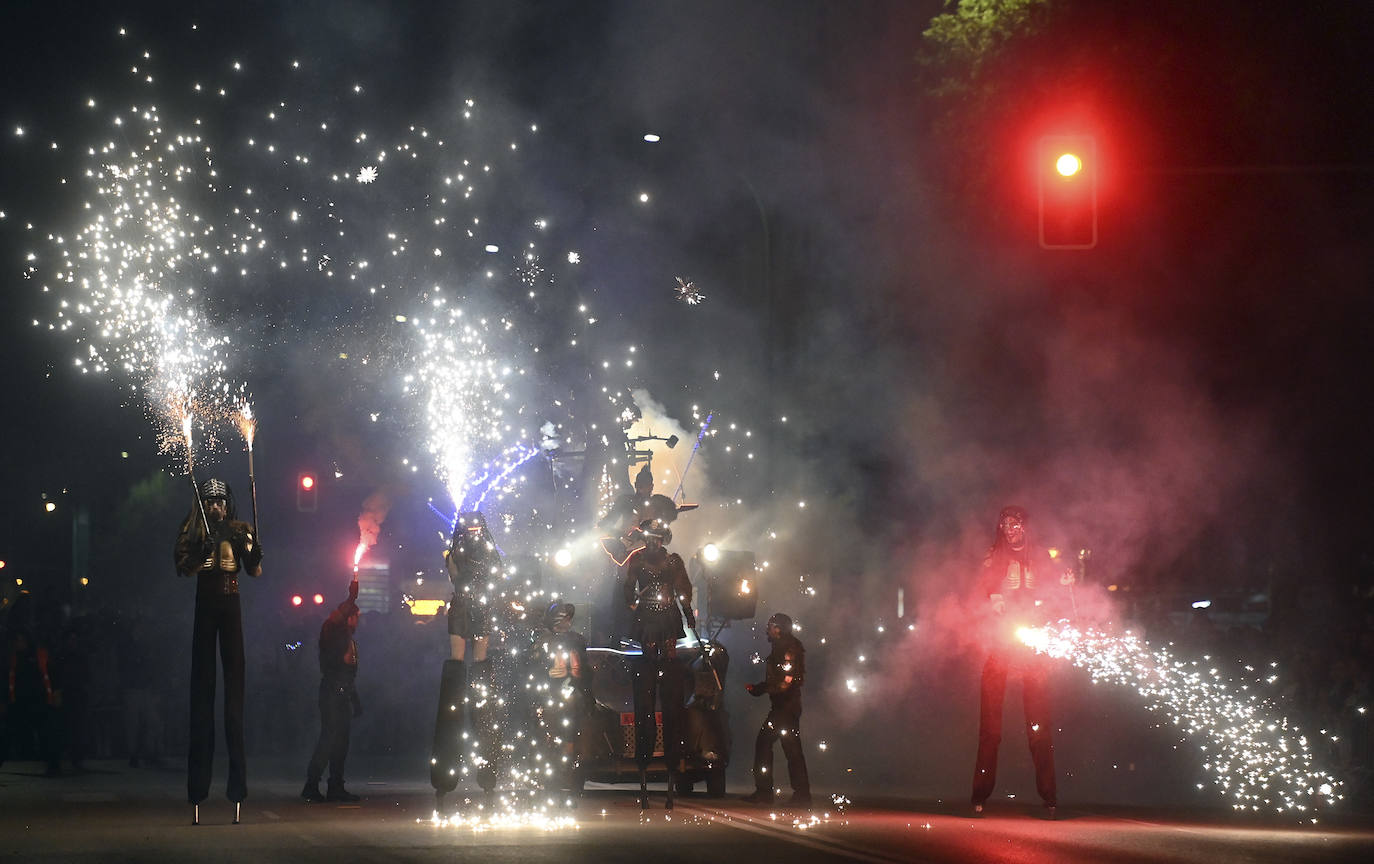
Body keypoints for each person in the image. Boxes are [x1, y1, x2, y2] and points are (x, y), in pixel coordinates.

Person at [970, 505, 1074, 819]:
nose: (1010, 530)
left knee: (1039, 727)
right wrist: (994, 597)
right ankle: (980, 796)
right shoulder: (994, 555)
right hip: (1001, 644)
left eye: (1015, 525)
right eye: (1005, 525)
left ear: (1026, 527)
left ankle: (1050, 798)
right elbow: (983, 584)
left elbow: (1058, 589)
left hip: (1032, 646)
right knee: (991, 729)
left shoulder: (1042, 556)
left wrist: (1067, 581)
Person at [174, 478, 263, 823]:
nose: (215, 507)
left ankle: (237, 788)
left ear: (228, 505)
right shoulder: (192, 527)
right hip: (206, 601)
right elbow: (183, 568)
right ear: (203, 504)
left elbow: (255, 571)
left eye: (219, 502)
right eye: (209, 501)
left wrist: (254, 553)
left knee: (234, 699)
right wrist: (200, 549)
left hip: (231, 602)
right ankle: (198, 789)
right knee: (202, 691)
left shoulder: (241, 529)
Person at [621, 518, 693, 810]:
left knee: (673, 704)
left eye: (658, 538)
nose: (654, 542)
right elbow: (627, 589)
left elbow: (683, 589)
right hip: (646, 625)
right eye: (649, 538)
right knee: (645, 706)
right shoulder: (636, 560)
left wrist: (687, 612)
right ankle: (643, 764)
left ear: (664, 538)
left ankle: (673, 766)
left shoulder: (673, 561)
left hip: (668, 624)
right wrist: (634, 602)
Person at [431, 511, 501, 807]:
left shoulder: (466, 546)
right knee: (469, 670)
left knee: (465, 669)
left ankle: (477, 776)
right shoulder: (481, 545)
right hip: (472, 606)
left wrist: (450, 555)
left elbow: (459, 576)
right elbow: (489, 575)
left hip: (470, 605)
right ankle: (480, 776)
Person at [302, 579, 363, 803]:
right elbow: (336, 618)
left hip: (343, 695)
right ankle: (311, 784)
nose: (359, 621)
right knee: (329, 739)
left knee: (341, 742)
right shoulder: (332, 632)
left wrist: (354, 700)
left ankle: (336, 785)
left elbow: (350, 674)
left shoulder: (349, 639)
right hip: (330, 693)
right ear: (349, 617)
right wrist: (351, 597)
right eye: (356, 616)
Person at [742, 612, 811, 807]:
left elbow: (785, 682)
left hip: (785, 707)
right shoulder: (783, 647)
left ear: (779, 629)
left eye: (771, 626)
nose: (768, 630)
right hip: (785, 706)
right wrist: (761, 688)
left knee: (767, 744)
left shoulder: (788, 649)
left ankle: (767, 792)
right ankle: (800, 794)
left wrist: (762, 689)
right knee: (791, 749)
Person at [529, 601, 591, 800]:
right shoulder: (547, 641)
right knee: (562, 739)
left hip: (564, 698)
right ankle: (562, 781)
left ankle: (564, 780)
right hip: (556, 698)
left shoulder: (554, 641)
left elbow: (584, 672)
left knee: (566, 739)